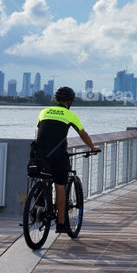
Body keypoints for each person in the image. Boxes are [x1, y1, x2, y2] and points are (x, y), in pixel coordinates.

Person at [34, 87, 101, 234]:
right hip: (58, 155)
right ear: (70, 101)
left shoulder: (43, 112)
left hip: (40, 154)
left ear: (56, 100)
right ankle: (61, 223)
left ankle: (40, 202)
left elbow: (39, 134)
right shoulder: (70, 115)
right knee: (60, 184)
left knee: (44, 177)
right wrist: (92, 147)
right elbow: (82, 133)